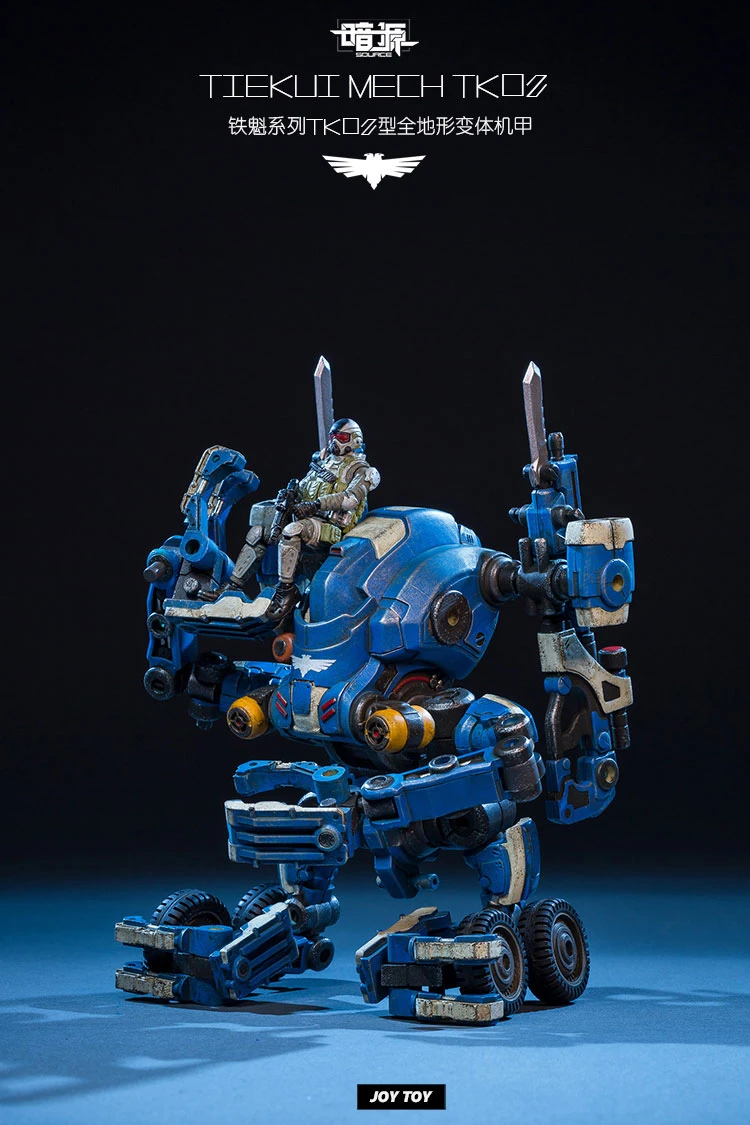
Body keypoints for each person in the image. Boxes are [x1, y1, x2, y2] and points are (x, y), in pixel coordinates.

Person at [225, 418, 380, 623]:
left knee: (292, 530)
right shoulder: (323, 462)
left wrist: (316, 505)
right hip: (308, 517)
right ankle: (232, 586)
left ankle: (286, 591)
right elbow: (305, 486)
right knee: (259, 532)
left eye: (342, 437)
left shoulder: (362, 470)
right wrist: (290, 494)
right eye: (333, 437)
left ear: (355, 440)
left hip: (334, 528)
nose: (336, 442)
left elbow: (350, 499)